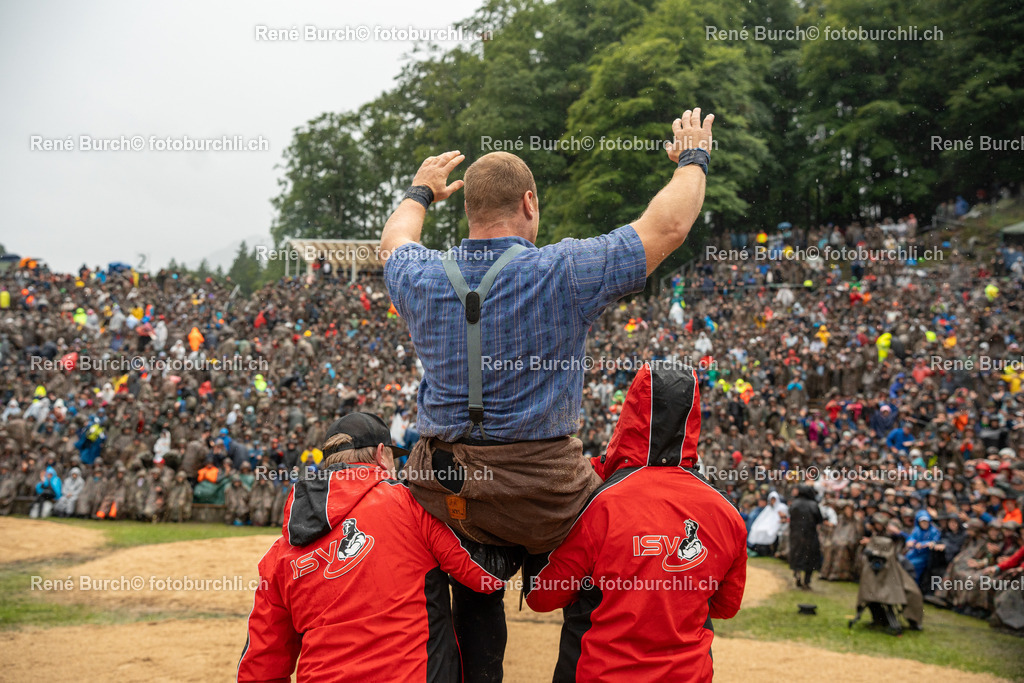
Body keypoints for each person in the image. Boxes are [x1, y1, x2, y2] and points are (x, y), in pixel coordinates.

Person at [380, 108, 715, 680]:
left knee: (470, 588)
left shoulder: (419, 274)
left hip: (447, 488)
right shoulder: (564, 271)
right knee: (604, 555)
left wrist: (420, 191)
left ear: (468, 210)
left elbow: (395, 239)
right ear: (529, 203)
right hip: (548, 490)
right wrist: (692, 158)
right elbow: (668, 227)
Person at [237, 413, 510, 682]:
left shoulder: (281, 550)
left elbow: (260, 670)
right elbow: (485, 577)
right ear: (381, 455)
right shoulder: (410, 504)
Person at [525, 363, 746, 682]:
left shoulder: (603, 502)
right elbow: (726, 607)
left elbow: (543, 596)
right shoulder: (726, 512)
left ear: (631, 414)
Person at [788, 484, 823, 589]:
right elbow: (819, 519)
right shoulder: (813, 504)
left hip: (796, 535)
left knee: (797, 555)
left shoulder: (795, 503)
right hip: (810, 536)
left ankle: (797, 573)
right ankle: (807, 581)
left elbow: (791, 516)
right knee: (810, 558)